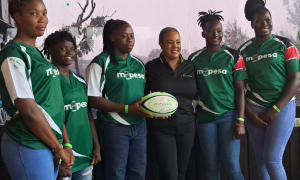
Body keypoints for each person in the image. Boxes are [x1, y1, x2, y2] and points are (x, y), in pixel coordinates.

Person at [0, 0, 74, 179]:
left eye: (44, 13)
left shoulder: (37, 56)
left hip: (48, 143)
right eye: (34, 13)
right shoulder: (13, 54)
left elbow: (52, 105)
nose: (42, 19)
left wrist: (66, 145)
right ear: (17, 18)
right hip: (28, 142)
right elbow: (29, 111)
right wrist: (59, 148)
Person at [239, 0, 300, 179]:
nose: (265, 24)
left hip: (282, 107)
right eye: (259, 21)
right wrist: (248, 113)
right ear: (252, 23)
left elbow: (295, 78)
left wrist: (275, 109)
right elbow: (239, 86)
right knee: (262, 160)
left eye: (268, 20)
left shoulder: (285, 44)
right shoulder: (243, 51)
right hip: (254, 109)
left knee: (272, 159)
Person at [86, 19, 152, 180]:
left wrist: (156, 109)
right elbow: (93, 100)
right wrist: (128, 109)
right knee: (116, 174)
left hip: (140, 126)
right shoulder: (100, 63)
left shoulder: (139, 64)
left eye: (132, 36)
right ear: (112, 37)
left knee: (138, 174)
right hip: (114, 127)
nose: (130, 40)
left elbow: (143, 97)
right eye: (124, 36)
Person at [188, 10, 247, 180]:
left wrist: (240, 120)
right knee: (211, 166)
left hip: (228, 116)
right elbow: (189, 88)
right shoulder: (194, 59)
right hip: (205, 119)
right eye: (211, 31)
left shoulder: (234, 56)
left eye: (219, 31)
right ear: (203, 33)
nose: (216, 34)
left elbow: (240, 90)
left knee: (232, 165)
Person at [43, 31, 102, 180]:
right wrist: (56, 154)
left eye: (72, 48)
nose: (69, 52)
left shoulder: (80, 81)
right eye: (63, 48)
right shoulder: (47, 81)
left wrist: (96, 146)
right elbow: (46, 122)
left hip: (84, 153)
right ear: (50, 50)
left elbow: (88, 116)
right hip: (62, 155)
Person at [145, 27, 197, 180]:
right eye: (170, 42)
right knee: (170, 176)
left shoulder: (190, 66)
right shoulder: (151, 67)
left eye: (178, 42)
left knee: (181, 174)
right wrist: (153, 113)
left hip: (187, 126)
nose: (175, 46)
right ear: (160, 44)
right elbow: (142, 97)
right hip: (162, 130)